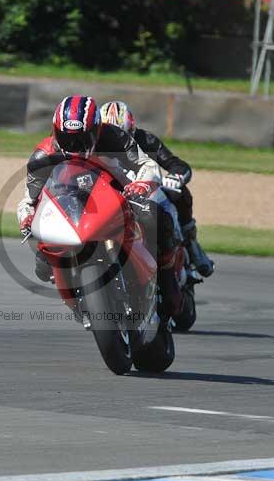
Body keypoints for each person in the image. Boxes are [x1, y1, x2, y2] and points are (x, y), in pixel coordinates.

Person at [17, 95, 182, 316]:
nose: (75, 146)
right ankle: (77, 296)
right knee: (42, 262)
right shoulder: (42, 155)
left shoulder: (115, 137)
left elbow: (147, 164)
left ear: (96, 130)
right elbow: (29, 199)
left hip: (118, 191)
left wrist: (142, 184)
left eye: (82, 138)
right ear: (56, 131)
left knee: (157, 216)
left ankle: (167, 278)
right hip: (71, 200)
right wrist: (27, 218)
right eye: (68, 139)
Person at [99, 101, 214, 278]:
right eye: (110, 136)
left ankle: (191, 244)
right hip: (111, 196)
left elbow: (179, 166)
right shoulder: (94, 144)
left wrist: (173, 178)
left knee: (178, 193)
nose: (117, 141)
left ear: (132, 130)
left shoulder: (146, 140)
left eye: (123, 135)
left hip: (144, 195)